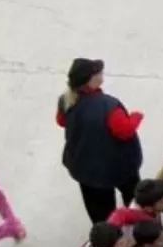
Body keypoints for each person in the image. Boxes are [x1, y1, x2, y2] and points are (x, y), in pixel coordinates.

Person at [57, 58, 143, 222]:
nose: (101, 74)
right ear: (90, 80)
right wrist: (135, 117)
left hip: (85, 168)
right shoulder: (108, 105)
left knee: (101, 214)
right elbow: (124, 131)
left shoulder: (66, 100)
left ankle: (106, 238)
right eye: (98, 72)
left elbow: (61, 121)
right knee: (133, 199)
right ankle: (135, 227)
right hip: (117, 166)